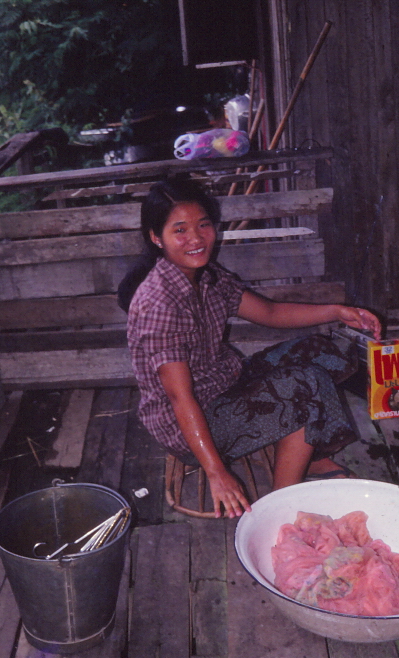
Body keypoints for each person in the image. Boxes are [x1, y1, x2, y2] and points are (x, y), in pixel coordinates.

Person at [121, 177, 381, 519]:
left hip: (223, 384)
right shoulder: (160, 303)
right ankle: (280, 508)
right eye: (180, 230)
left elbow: (270, 312)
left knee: (322, 352)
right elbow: (180, 398)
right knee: (305, 383)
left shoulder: (207, 276)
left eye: (203, 225)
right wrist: (216, 472)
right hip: (189, 427)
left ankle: (312, 457)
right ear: (157, 238)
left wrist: (337, 311)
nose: (196, 239)